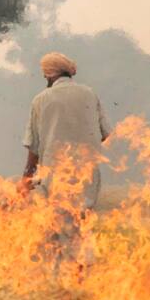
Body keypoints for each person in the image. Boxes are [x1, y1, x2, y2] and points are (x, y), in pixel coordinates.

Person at [21, 52, 111, 209]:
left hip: (54, 173)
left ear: (49, 74)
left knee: (57, 223)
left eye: (45, 74)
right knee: (81, 221)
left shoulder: (41, 99)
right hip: (87, 173)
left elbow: (34, 146)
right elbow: (105, 134)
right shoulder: (90, 94)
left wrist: (26, 179)